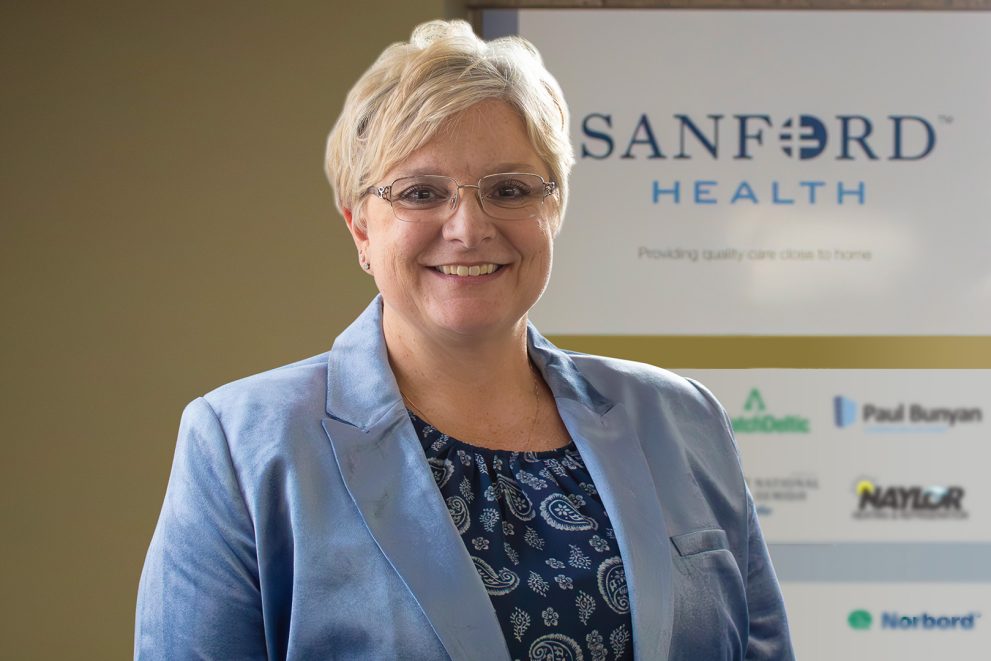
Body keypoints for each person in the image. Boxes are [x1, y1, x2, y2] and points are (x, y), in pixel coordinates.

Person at [135, 19, 793, 661]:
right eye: (422, 192)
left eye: (509, 189)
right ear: (360, 226)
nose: (468, 227)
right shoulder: (243, 443)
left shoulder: (681, 418)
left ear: (553, 209)